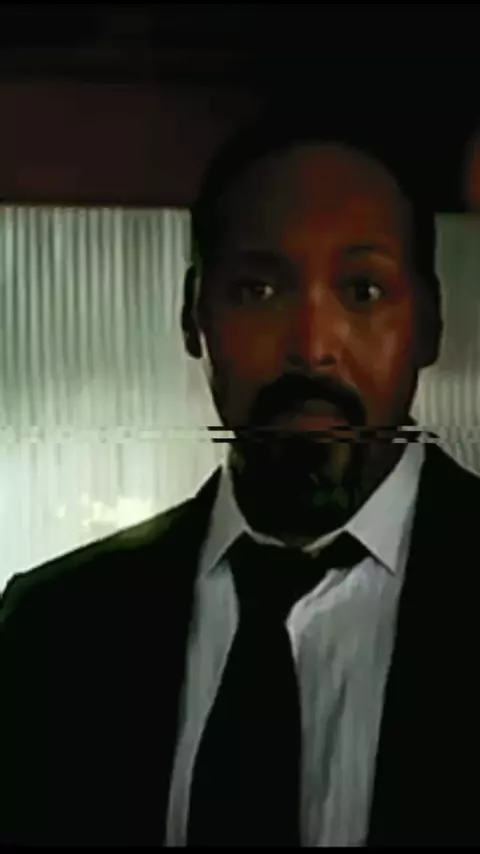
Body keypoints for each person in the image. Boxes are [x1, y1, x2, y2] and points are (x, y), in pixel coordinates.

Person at [1, 106, 480, 848]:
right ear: (193, 314)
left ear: (428, 323)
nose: (312, 347)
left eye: (363, 291)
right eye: (259, 290)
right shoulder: (49, 631)